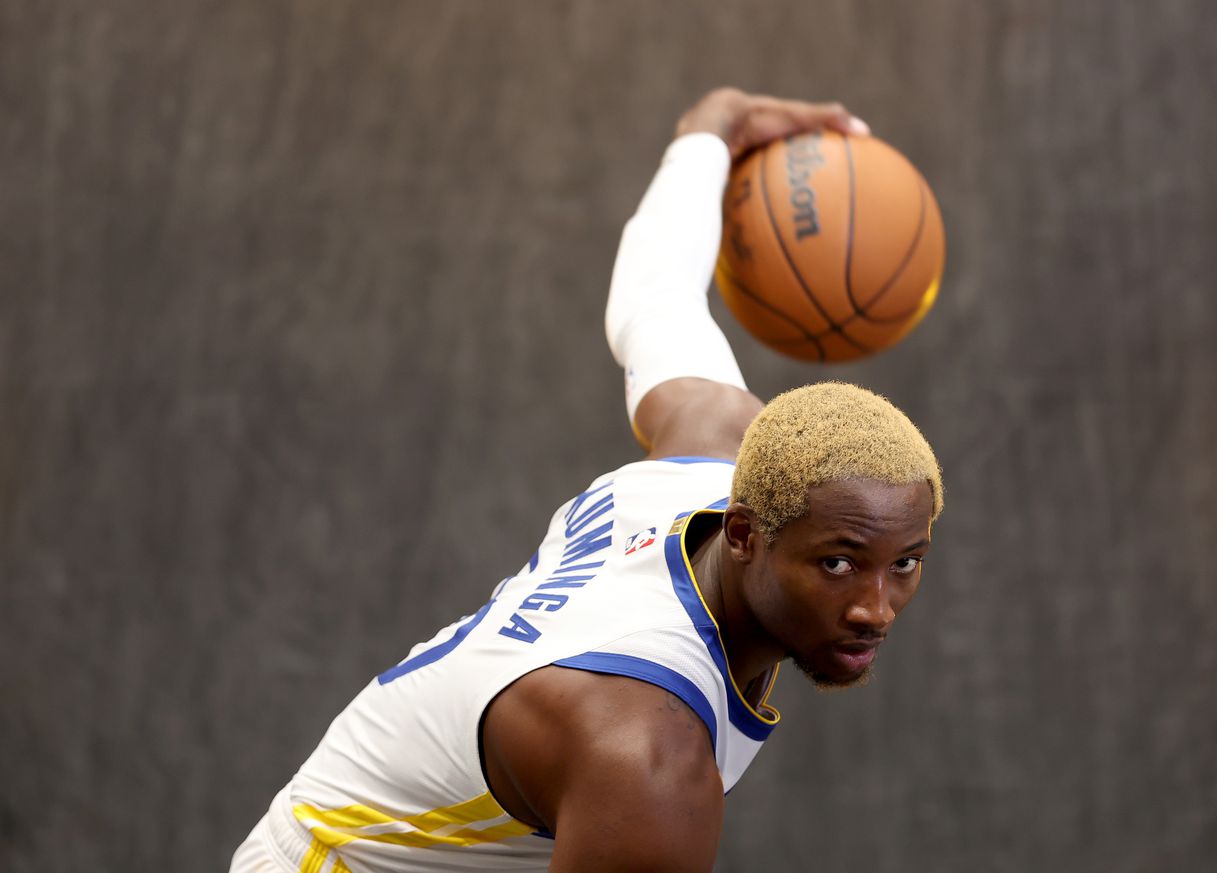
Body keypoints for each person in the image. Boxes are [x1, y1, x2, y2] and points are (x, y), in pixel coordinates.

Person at [230, 87, 944, 873]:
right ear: (744, 532)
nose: (875, 609)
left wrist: (712, 132)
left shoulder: (716, 450)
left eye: (905, 562)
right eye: (838, 563)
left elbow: (655, 296)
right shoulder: (647, 758)